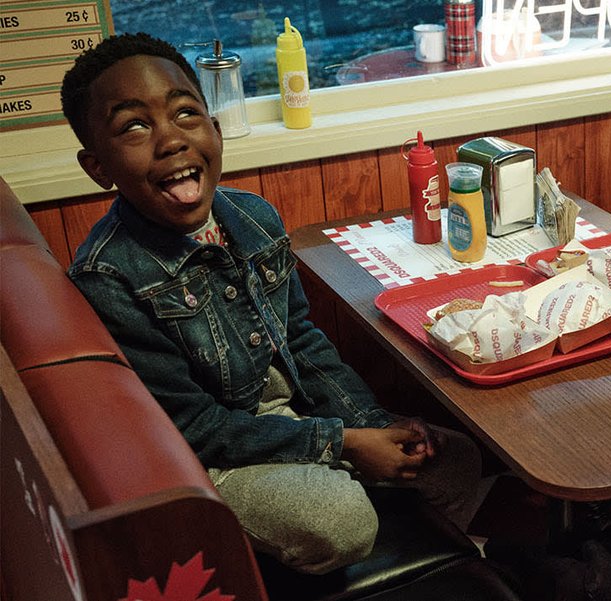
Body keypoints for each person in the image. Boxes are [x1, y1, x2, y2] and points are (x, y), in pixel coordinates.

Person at [61, 33, 482, 574]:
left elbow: (303, 344)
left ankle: (453, 567)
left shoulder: (254, 218)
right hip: (210, 458)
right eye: (134, 126)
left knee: (455, 460)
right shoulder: (108, 278)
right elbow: (194, 428)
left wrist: (371, 422)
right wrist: (344, 444)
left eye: (185, 113)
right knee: (344, 521)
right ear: (97, 167)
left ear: (215, 130)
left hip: (301, 418)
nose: (170, 140)